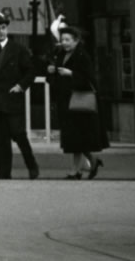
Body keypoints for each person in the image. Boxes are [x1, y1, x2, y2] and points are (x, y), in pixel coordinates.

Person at [0, 13, 40, 180]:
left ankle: (32, 166)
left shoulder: (18, 49)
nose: (1, 32)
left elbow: (30, 71)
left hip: (12, 98)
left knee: (19, 134)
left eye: (3, 28)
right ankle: (3, 171)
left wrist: (20, 86)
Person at [47, 23, 109, 179]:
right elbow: (53, 78)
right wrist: (52, 71)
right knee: (74, 138)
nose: (64, 43)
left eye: (68, 40)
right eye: (63, 40)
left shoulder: (82, 56)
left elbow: (89, 79)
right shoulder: (60, 54)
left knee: (75, 138)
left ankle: (76, 170)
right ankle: (90, 162)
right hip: (66, 101)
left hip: (78, 103)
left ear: (76, 41)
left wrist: (71, 74)